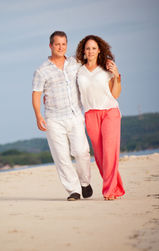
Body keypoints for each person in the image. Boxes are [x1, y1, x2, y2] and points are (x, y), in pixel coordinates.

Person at [32, 31, 92, 201]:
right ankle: (73, 190)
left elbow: (91, 64)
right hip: (53, 119)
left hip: (75, 115)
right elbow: (36, 94)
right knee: (61, 156)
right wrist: (38, 115)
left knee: (81, 152)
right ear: (51, 46)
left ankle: (85, 183)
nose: (61, 47)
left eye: (64, 44)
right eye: (57, 44)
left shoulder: (75, 63)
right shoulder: (41, 70)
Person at [75, 35, 125, 200]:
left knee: (110, 152)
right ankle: (116, 187)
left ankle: (109, 191)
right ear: (83, 51)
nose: (90, 51)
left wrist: (116, 76)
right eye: (88, 48)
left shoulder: (107, 68)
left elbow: (115, 94)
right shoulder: (78, 70)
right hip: (90, 114)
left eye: (94, 48)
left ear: (99, 50)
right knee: (100, 156)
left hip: (109, 111)